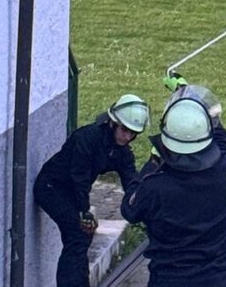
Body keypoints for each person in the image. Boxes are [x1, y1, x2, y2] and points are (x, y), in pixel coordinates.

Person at [122, 81, 226, 287]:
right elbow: (220, 135)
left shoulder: (155, 187)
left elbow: (129, 210)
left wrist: (152, 164)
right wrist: (193, 99)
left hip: (169, 280)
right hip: (216, 279)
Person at [34, 94, 151, 287]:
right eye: (124, 130)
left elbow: (131, 182)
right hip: (51, 187)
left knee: (82, 236)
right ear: (113, 123)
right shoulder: (87, 138)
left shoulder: (122, 152)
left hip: (72, 190)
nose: (127, 137)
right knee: (77, 235)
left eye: (133, 133)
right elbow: (78, 176)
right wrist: (84, 210)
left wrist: (143, 211)